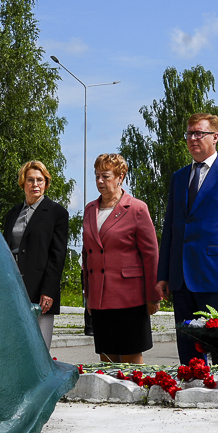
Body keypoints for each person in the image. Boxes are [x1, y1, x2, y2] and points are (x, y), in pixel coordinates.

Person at [157, 112, 218, 364]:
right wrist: (163, 274)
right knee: (188, 348)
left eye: (199, 133)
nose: (193, 138)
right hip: (181, 278)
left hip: (217, 277)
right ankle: (190, 387)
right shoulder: (179, 178)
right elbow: (170, 228)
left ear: (215, 137)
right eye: (189, 133)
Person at [82, 153, 161, 364]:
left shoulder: (136, 208)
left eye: (105, 176)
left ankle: (137, 396)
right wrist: (88, 295)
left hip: (130, 298)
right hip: (99, 298)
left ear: (121, 177)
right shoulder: (90, 210)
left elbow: (151, 255)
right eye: (97, 176)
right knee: (106, 357)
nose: (100, 181)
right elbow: (86, 255)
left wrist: (153, 295)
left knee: (130, 357)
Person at [1, 160, 69, 351]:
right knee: (15, 347)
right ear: (23, 183)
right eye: (30, 180)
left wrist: (48, 290)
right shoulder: (12, 213)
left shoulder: (57, 213)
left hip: (41, 291)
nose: (35, 184)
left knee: (39, 350)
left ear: (46, 183)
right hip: (14, 288)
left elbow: (58, 255)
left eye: (40, 180)